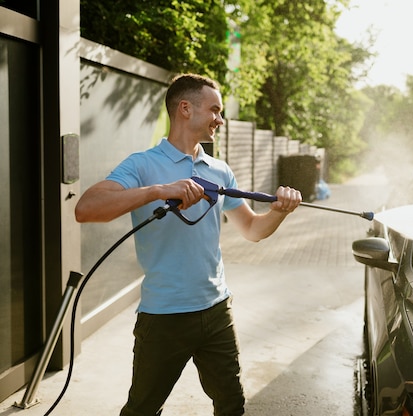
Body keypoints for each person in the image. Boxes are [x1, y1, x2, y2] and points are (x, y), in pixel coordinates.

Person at [75, 74, 302, 416]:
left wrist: (278, 212)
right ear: (185, 108)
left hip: (216, 310)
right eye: (215, 110)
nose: (220, 119)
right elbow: (86, 209)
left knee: (232, 405)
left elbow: (253, 230)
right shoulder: (142, 165)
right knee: (142, 409)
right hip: (164, 314)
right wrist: (158, 190)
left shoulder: (219, 171)